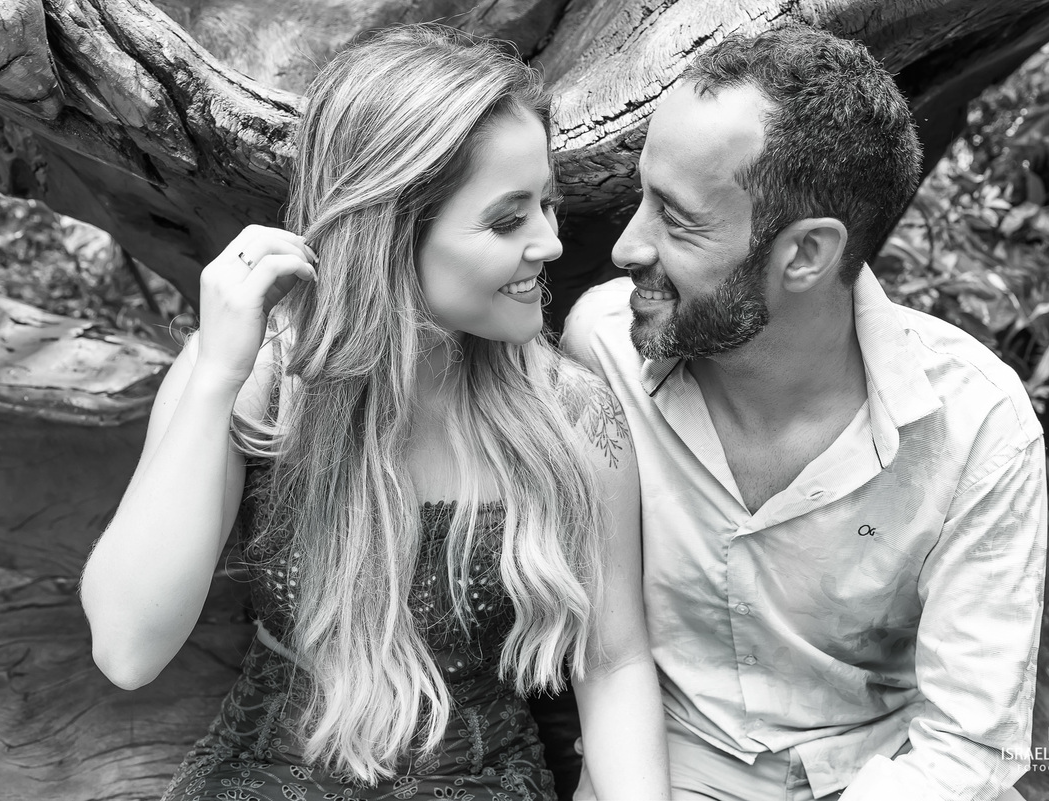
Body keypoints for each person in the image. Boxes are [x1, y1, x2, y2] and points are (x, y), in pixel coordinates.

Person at [80, 24, 670, 801]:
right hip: (267, 776)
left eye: (547, 205)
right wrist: (217, 371)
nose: (552, 243)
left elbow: (615, 662)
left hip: (480, 780)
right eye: (507, 218)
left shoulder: (571, 413)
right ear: (390, 228)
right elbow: (128, 648)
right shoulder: (264, 379)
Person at [562, 23, 1045, 801]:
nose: (624, 247)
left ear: (807, 254)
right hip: (671, 762)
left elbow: (967, 742)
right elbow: (604, 653)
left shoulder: (977, 424)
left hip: (896, 771)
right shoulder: (603, 349)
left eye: (676, 218)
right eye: (640, 197)